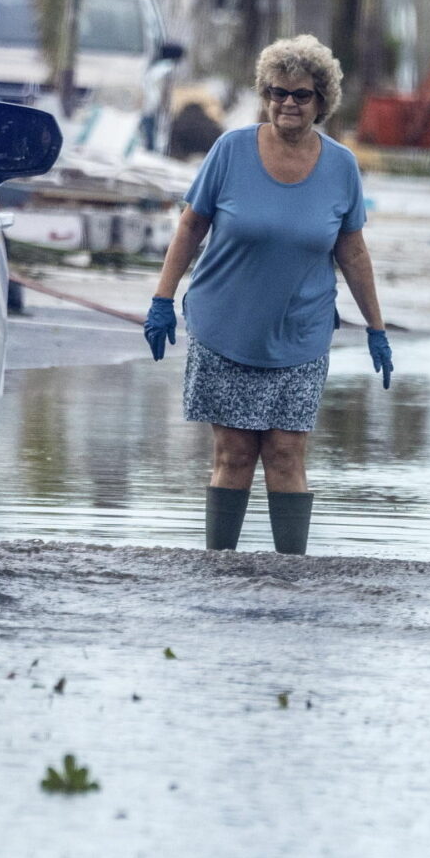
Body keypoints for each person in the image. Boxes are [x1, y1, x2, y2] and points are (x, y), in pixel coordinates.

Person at [142, 35, 393, 555]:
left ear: (321, 101)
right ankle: (221, 569)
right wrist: (162, 299)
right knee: (233, 453)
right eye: (277, 92)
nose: (287, 104)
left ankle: (292, 574)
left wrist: (376, 328)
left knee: (285, 453)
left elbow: (353, 253)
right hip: (225, 325)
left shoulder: (341, 167)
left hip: (300, 333)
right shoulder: (231, 151)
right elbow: (190, 227)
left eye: (301, 95)